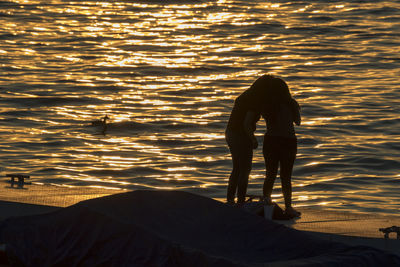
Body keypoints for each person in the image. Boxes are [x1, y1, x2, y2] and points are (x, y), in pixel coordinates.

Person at [225, 75, 274, 205]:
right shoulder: (255, 100)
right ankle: (240, 200)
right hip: (241, 135)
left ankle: (230, 199)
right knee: (245, 169)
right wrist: (253, 140)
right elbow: (246, 124)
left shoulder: (246, 95)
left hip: (230, 132)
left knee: (237, 168)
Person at [260, 77, 301, 218]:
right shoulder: (291, 104)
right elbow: (298, 121)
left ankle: (266, 205)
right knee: (286, 176)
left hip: (271, 140)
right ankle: (288, 207)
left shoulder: (267, 105)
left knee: (270, 174)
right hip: (288, 141)